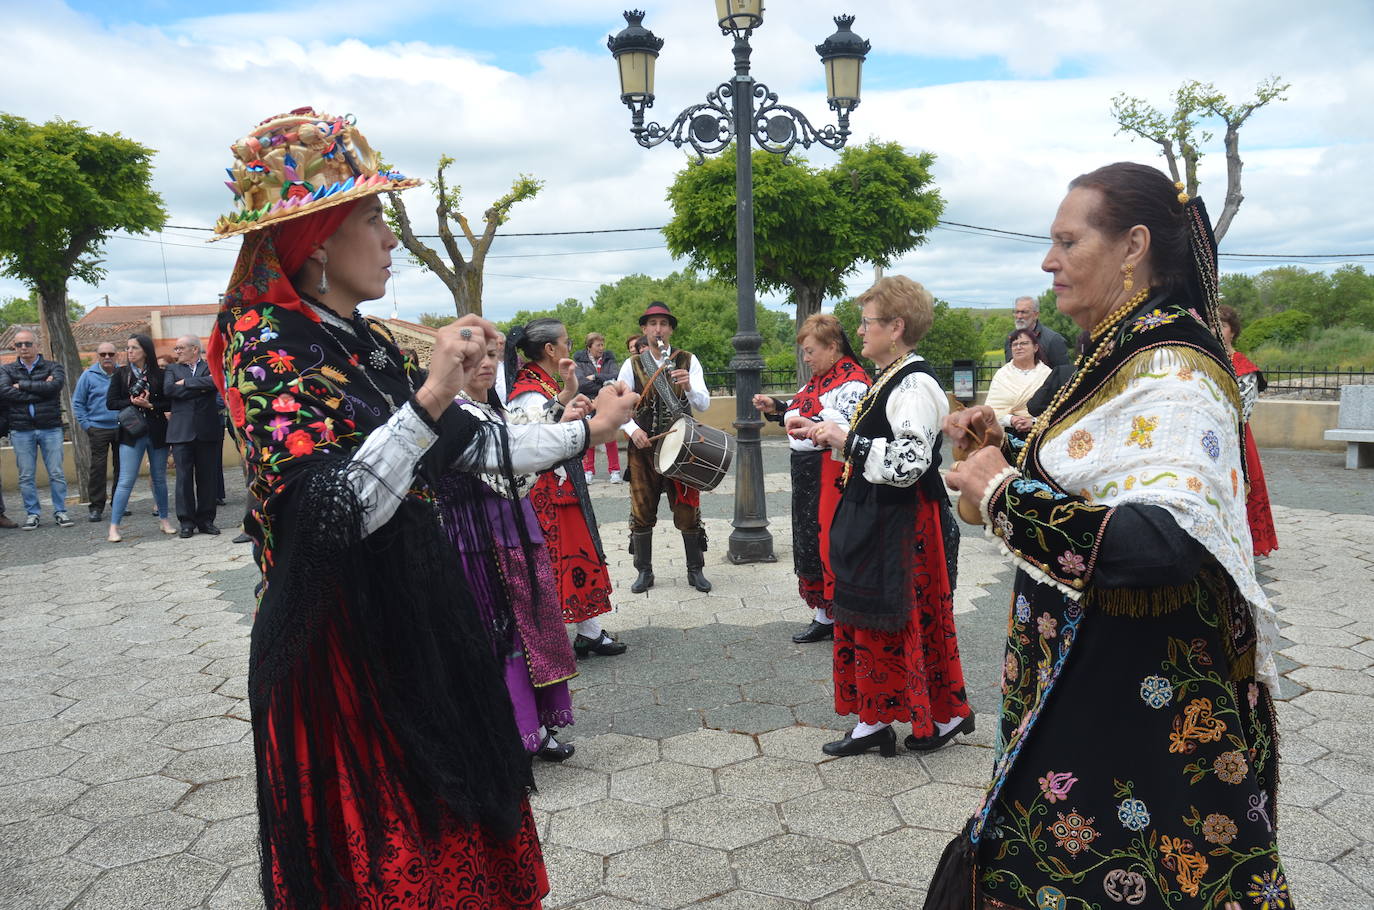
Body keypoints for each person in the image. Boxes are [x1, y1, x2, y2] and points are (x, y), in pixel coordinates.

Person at [209, 108, 616, 908]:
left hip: (417, 616)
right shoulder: (263, 340)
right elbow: (333, 514)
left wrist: (588, 430)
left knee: (457, 828)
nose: (392, 237)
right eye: (373, 218)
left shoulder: (367, 340)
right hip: (339, 645)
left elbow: (473, 448)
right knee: (391, 854)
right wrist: (431, 393)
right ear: (317, 239)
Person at [938, 163, 1286, 909]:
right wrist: (995, 452)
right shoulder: (1114, 352)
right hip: (1088, 678)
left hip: (1133, 697)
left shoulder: (1173, 366)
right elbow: (1083, 475)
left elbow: (1158, 546)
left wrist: (1001, 489)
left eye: (1067, 241)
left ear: (1132, 246)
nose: (1048, 261)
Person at [439, 338, 634, 762]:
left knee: (533, 632)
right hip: (478, 544)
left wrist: (564, 413)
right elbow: (514, 465)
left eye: (491, 356)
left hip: (513, 533)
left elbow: (521, 441)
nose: (486, 365)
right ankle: (507, 736)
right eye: (473, 358)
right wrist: (591, 427)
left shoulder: (489, 409)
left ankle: (534, 728)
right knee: (501, 636)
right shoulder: (455, 414)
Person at [800, 276, 971, 759]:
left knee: (902, 615)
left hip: (903, 524)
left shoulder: (914, 383)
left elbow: (910, 462)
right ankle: (876, 719)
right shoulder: (889, 377)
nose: (861, 330)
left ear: (896, 327)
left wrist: (843, 440)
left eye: (868, 321)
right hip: (880, 517)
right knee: (871, 616)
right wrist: (824, 432)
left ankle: (938, 715)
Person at [508, 318, 628, 658]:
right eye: (565, 341)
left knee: (576, 554)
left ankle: (586, 632)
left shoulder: (540, 382)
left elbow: (554, 414)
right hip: (549, 490)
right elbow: (533, 437)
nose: (568, 345)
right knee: (563, 558)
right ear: (549, 349)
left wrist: (568, 393)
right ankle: (559, 635)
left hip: (560, 484)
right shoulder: (527, 389)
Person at [753, 314, 870, 644]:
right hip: (808, 472)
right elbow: (798, 404)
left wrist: (808, 421)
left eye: (810, 351)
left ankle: (840, 614)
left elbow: (847, 426)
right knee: (810, 543)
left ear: (832, 347)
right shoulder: (822, 378)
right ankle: (826, 614)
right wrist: (776, 406)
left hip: (830, 473)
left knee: (828, 543)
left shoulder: (853, 382)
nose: (806, 358)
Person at [616, 301, 713, 594]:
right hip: (643, 450)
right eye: (652, 324)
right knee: (642, 511)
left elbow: (704, 404)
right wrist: (633, 432)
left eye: (663, 324)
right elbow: (618, 409)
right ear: (644, 329)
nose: (658, 329)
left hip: (682, 448)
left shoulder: (687, 360)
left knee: (687, 511)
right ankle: (644, 572)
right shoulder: (631, 365)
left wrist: (690, 387)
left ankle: (695, 571)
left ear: (670, 329)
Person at [1219, 305, 1278, 557]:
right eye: (1211, 324)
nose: (1215, 330)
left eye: (1221, 325)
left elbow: (1241, 411)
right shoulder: (1200, 359)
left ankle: (1243, 543)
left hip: (1235, 439)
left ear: (1233, 331)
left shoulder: (1244, 367)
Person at [0, 329, 73, 529]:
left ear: (37, 345)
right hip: (21, 429)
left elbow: (55, 387)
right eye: (19, 344)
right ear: (14, 347)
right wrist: (40, 388)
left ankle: (61, 511)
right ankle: (33, 513)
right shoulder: (6, 370)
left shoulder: (53, 367)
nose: (23, 348)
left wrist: (21, 385)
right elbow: (5, 392)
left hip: (50, 428)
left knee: (56, 472)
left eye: (28, 343)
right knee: (26, 475)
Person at [106, 333, 175, 542]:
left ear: (145, 350)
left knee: (159, 479)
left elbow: (170, 403)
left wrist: (150, 405)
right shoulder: (121, 374)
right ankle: (114, 527)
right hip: (131, 433)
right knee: (126, 480)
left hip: (157, 431)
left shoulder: (160, 374)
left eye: (134, 348)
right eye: (127, 348)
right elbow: (111, 403)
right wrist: (132, 401)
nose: (129, 352)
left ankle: (164, 520)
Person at [165, 334, 225, 537]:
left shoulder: (211, 366)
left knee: (207, 479)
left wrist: (187, 384)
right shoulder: (172, 369)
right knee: (183, 480)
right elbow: (169, 390)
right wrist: (200, 386)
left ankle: (206, 521)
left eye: (181, 348)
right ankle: (186, 523)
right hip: (181, 432)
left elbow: (216, 383)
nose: (177, 352)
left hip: (207, 430)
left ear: (194, 349)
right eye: (176, 348)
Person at [72, 341, 123, 522]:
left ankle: (119, 504)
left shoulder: (123, 373)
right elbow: (78, 403)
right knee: (98, 469)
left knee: (122, 468)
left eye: (110, 354)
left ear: (117, 355)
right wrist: (87, 426)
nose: (107, 357)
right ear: (97, 356)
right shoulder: (88, 376)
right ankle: (96, 507)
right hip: (98, 428)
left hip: (122, 427)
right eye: (103, 354)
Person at [574, 331, 623, 484]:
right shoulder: (579, 362)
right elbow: (581, 384)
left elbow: (616, 376)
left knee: (610, 437)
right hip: (588, 402)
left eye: (602, 344)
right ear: (589, 347)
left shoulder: (609, 359)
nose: (601, 348)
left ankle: (615, 471)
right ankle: (588, 471)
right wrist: (604, 383)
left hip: (607, 402)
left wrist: (596, 377)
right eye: (598, 345)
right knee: (589, 437)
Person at [984, 327, 1052, 435]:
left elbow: (1056, 408)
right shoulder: (1002, 375)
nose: (1019, 347)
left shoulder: (1047, 374)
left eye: (1024, 343)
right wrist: (1011, 420)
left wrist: (1033, 422)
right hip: (1010, 438)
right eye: (1015, 344)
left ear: (1035, 347)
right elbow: (990, 410)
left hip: (1041, 435)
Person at [1004, 295, 1070, 369]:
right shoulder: (1010, 338)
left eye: (1024, 312)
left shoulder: (1053, 340)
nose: (1019, 316)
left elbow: (1062, 375)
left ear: (1036, 315)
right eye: (1016, 312)